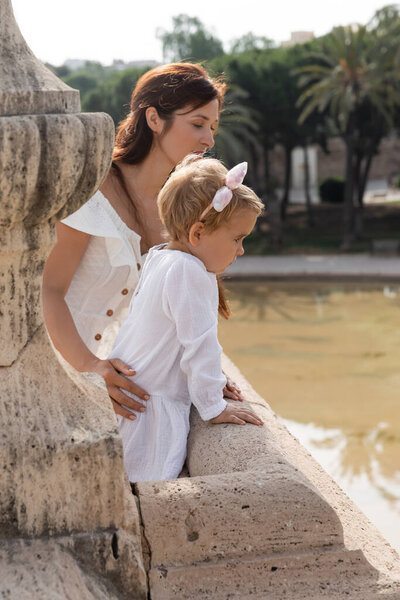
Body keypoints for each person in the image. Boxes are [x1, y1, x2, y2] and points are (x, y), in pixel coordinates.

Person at [42, 62, 243, 420]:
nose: (209, 140)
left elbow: (174, 315)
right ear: (154, 119)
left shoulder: (178, 209)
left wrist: (207, 379)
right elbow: (49, 290)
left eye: (213, 127)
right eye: (197, 124)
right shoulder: (93, 187)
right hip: (57, 379)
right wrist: (92, 366)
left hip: (135, 397)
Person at [108, 155, 264, 483]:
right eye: (237, 239)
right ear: (197, 233)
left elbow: (170, 334)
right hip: (150, 411)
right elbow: (200, 343)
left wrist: (217, 380)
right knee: (150, 486)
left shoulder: (160, 257)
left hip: (135, 400)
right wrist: (214, 405)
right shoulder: (189, 271)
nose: (241, 250)